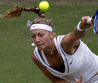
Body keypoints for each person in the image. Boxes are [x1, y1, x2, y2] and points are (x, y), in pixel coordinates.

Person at [1, 5, 98, 83]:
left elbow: (77, 34)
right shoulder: (37, 57)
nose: (37, 40)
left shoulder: (65, 43)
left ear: (51, 34)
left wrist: (82, 25)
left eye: (41, 35)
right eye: (33, 36)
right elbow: (57, 80)